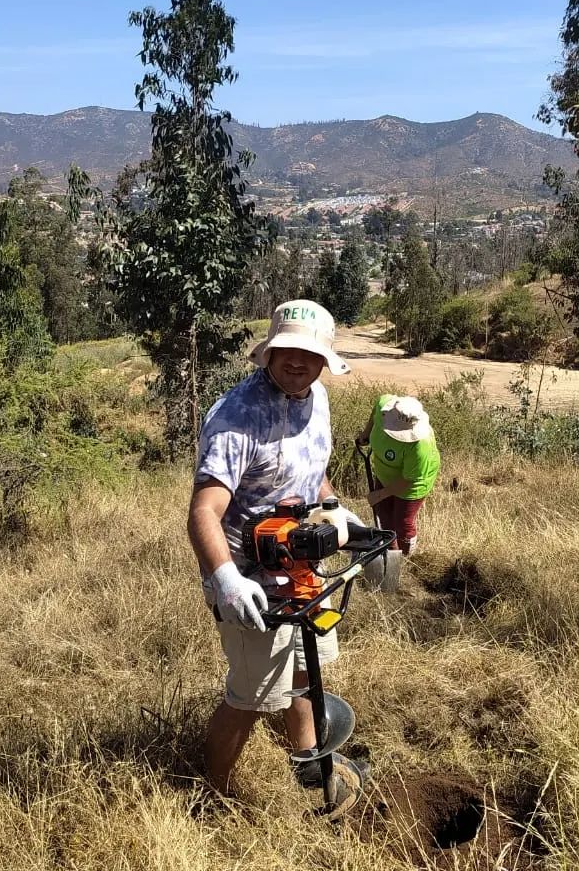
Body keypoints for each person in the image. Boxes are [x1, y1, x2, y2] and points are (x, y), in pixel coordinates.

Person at [187, 299, 365, 799]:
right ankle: (211, 794)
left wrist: (333, 506)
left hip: (302, 563)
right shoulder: (237, 417)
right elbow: (203, 513)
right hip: (249, 580)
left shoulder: (317, 400)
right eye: (287, 350)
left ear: (324, 361)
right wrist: (227, 582)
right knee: (251, 696)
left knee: (307, 668)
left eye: (310, 355)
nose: (297, 362)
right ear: (269, 351)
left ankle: (309, 767)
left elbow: (312, 470)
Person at [355, 394, 440, 555]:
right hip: (386, 473)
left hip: (412, 483)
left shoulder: (421, 447)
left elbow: (408, 480)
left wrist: (379, 494)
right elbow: (376, 410)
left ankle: (406, 555)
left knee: (403, 522)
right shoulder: (384, 407)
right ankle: (392, 552)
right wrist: (366, 433)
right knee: (384, 515)